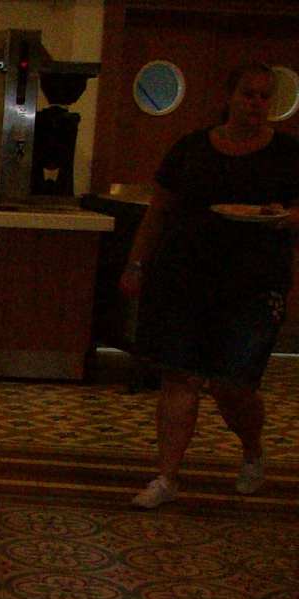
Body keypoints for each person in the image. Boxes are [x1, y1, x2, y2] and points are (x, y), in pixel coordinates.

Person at [122, 62, 299, 509]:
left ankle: (252, 447)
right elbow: (159, 211)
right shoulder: (192, 149)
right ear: (229, 96)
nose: (256, 104)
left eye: (264, 96)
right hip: (185, 276)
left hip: (253, 283)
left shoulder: (287, 154)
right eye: (248, 94)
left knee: (231, 384)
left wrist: (286, 217)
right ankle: (167, 475)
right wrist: (137, 264)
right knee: (179, 375)